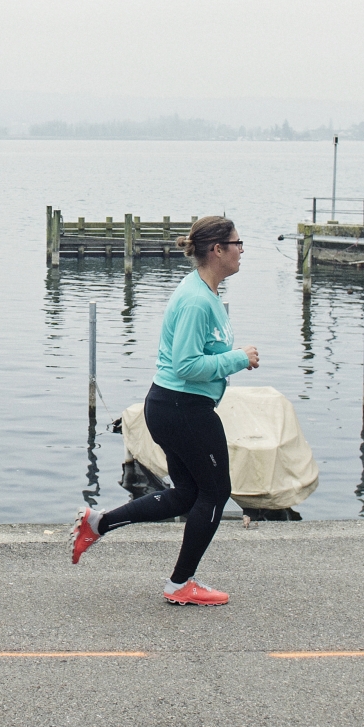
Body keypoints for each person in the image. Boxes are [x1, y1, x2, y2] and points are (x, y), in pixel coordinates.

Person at [70, 216, 257, 606]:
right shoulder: (195, 301)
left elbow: (201, 353)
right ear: (217, 250)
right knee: (216, 491)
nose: (242, 251)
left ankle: (98, 523)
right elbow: (187, 365)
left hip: (176, 406)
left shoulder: (206, 293)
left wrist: (229, 356)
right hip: (183, 407)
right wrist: (237, 359)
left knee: (188, 494)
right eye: (238, 244)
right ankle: (180, 583)